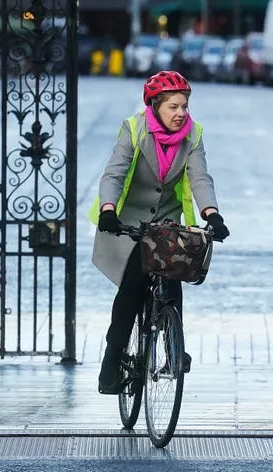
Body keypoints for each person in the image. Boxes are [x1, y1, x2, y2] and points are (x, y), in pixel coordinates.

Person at [92, 70, 230, 394]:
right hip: (128, 218)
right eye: (173, 107)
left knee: (173, 272)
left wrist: (213, 213)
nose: (181, 113)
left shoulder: (193, 135)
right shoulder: (134, 129)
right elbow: (114, 173)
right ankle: (110, 364)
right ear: (155, 106)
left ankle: (173, 350)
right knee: (132, 287)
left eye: (184, 106)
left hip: (166, 218)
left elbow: (200, 178)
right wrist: (107, 209)